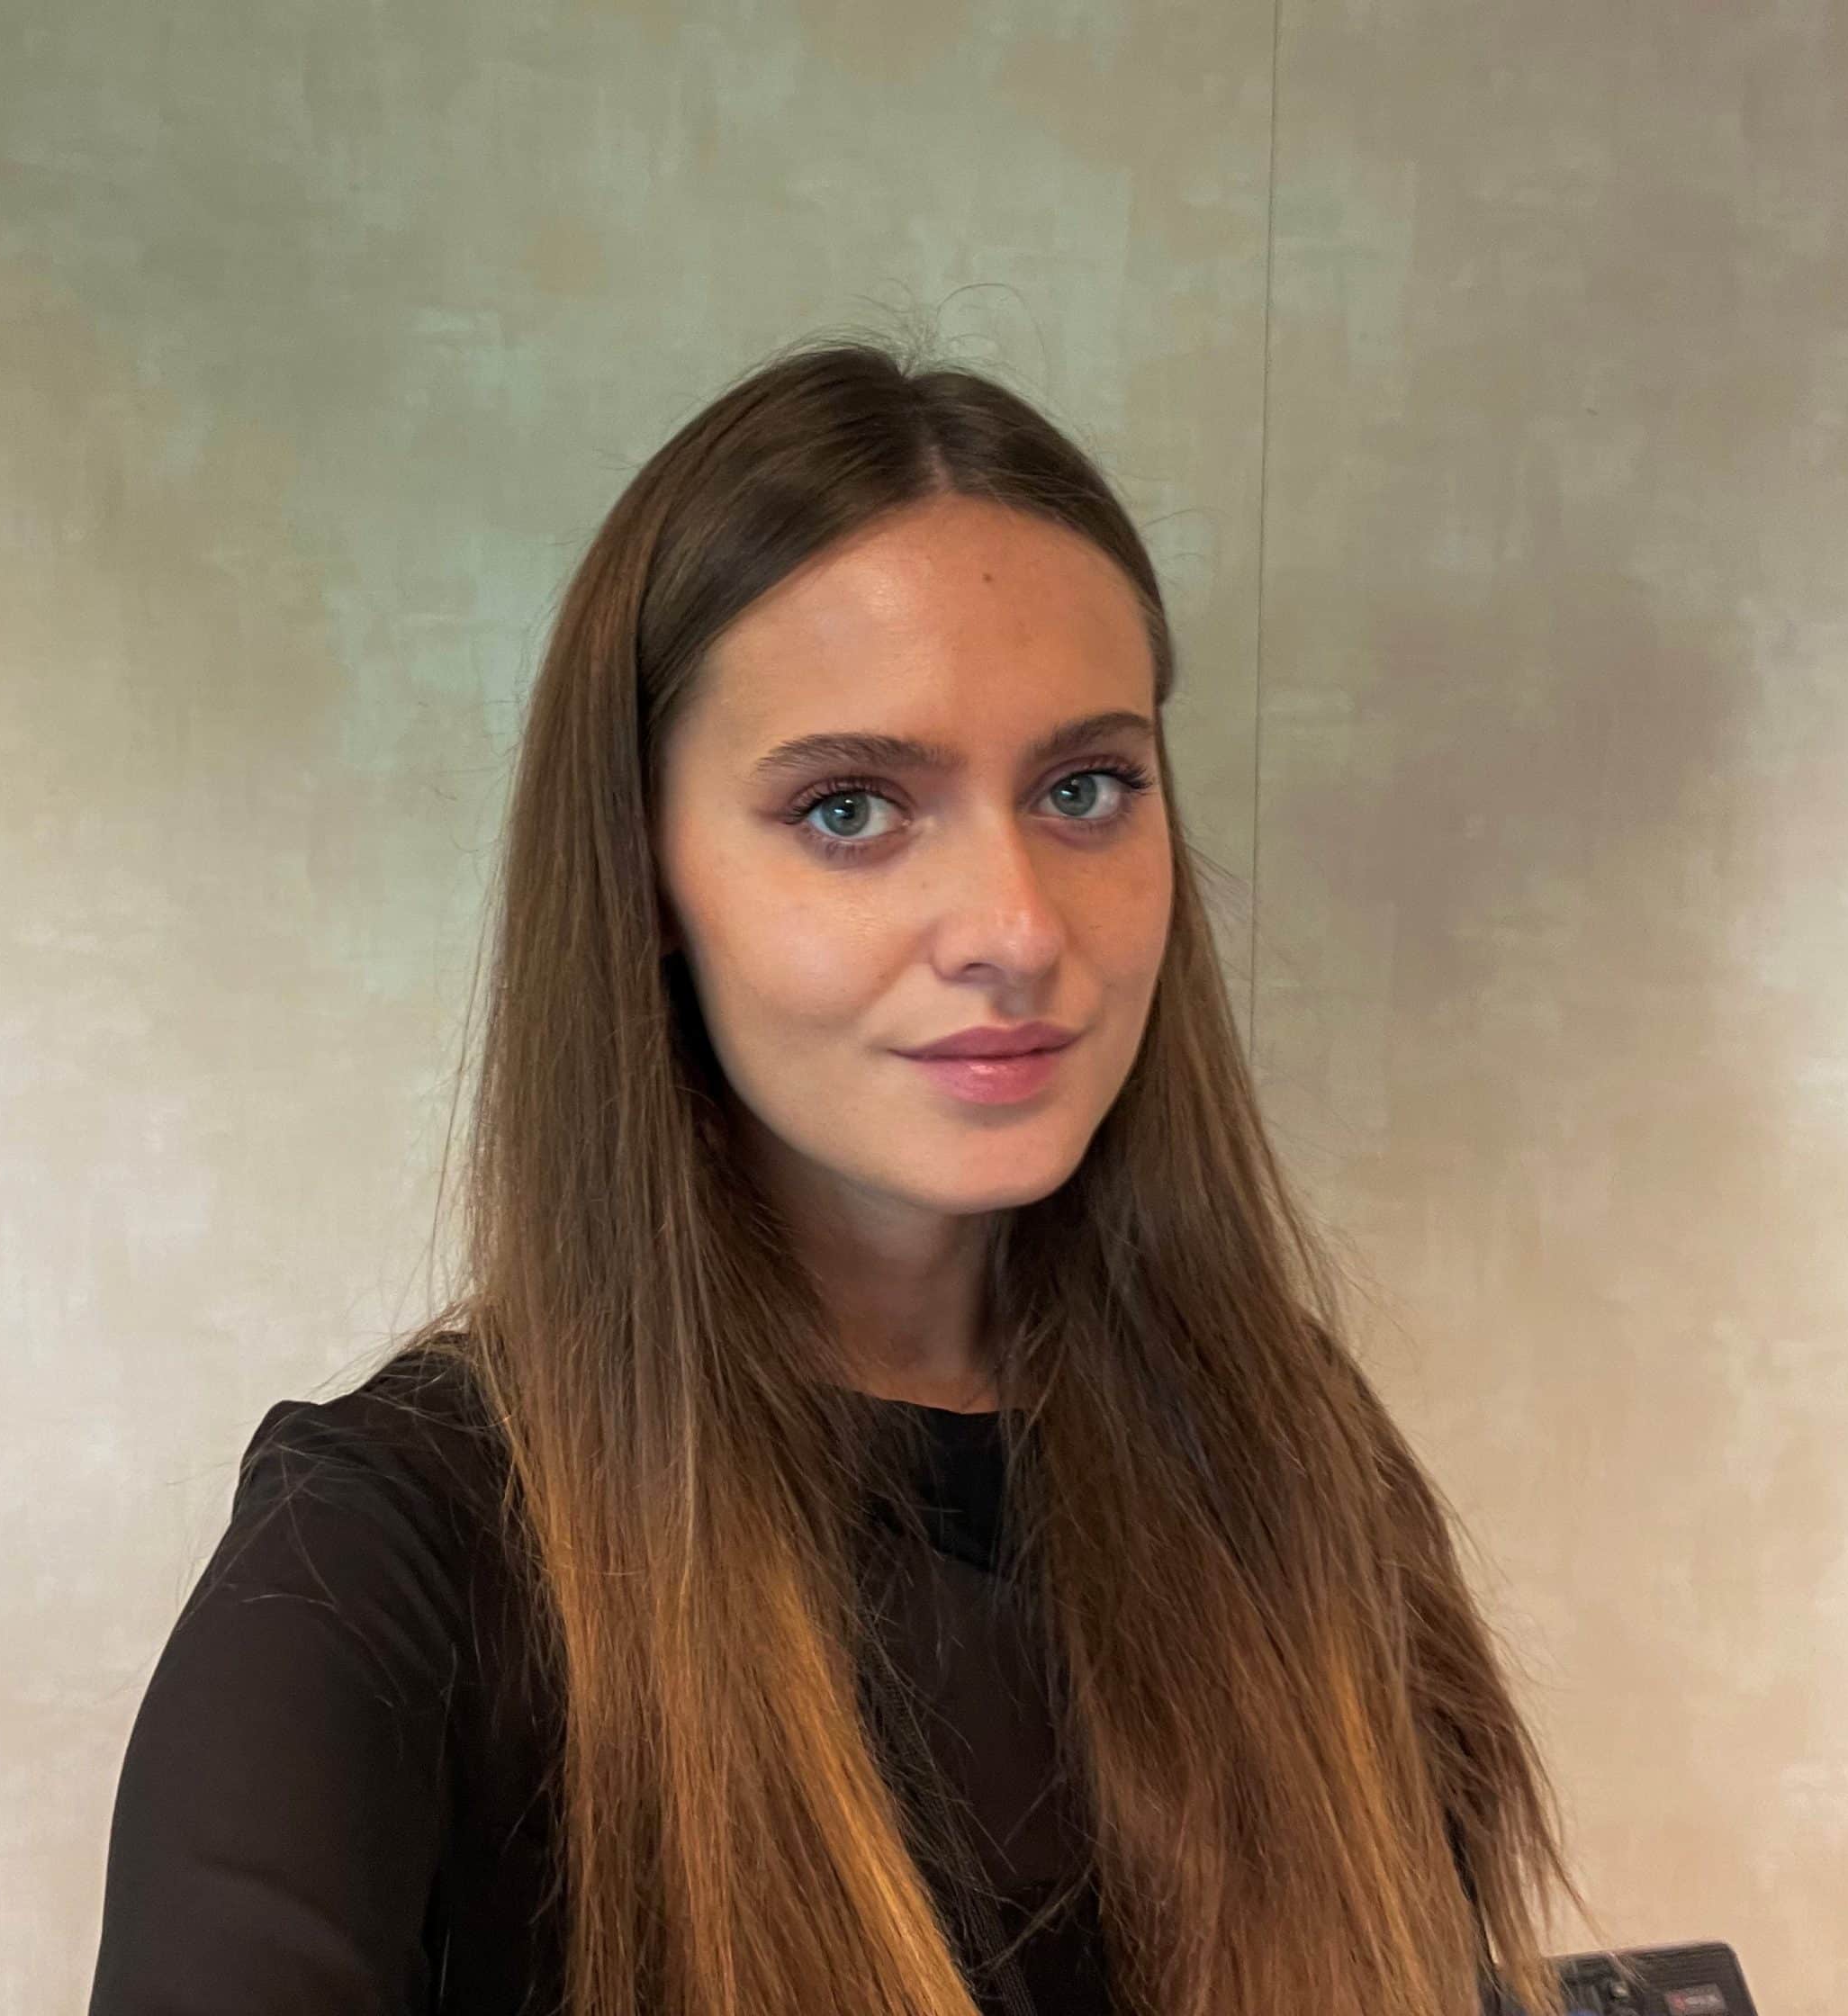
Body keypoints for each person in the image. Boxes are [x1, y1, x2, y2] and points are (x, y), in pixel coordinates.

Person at [86, 335, 1608, 2016]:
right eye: (851, 810)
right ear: (646, 871)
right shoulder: (392, 1559)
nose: (1021, 930)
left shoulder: (1289, 1465)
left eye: (1086, 788)